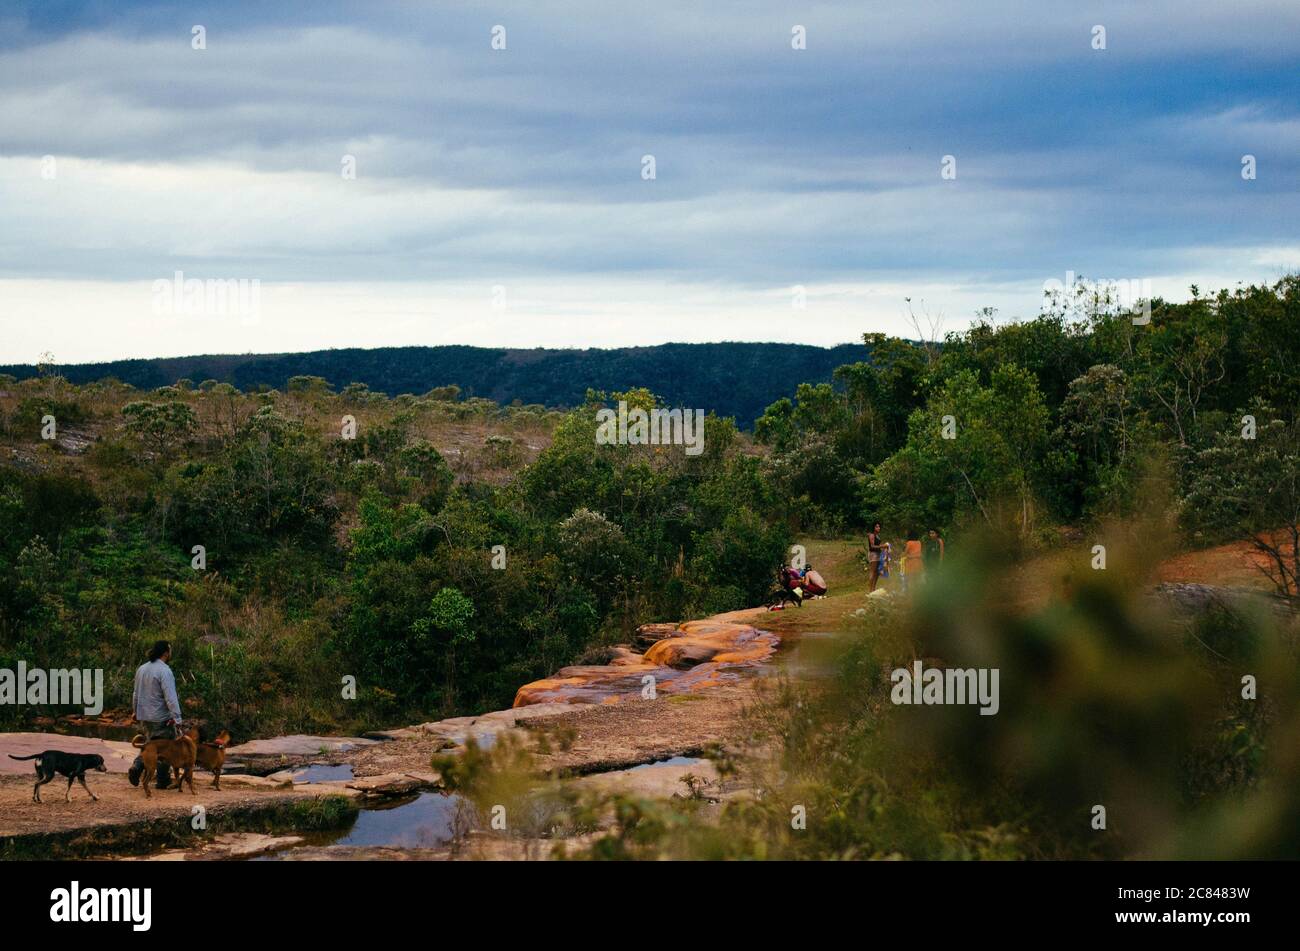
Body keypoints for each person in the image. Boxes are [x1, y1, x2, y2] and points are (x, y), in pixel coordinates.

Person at [127, 640, 183, 789]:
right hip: (160, 717)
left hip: (144, 716)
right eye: (170, 650)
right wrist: (177, 718)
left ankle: (137, 767)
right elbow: (170, 697)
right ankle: (163, 779)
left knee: (149, 745)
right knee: (164, 748)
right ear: (165, 652)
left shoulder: (142, 669)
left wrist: (135, 711)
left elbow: (135, 694)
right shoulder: (165, 671)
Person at [866, 523, 884, 591]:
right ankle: (870, 590)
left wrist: (884, 547)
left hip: (878, 554)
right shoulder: (871, 535)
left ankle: (874, 588)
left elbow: (878, 545)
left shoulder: (877, 536)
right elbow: (872, 546)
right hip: (873, 554)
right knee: (872, 571)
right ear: (873, 528)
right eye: (876, 527)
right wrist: (882, 546)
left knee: (877, 571)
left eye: (879, 526)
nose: (878, 528)